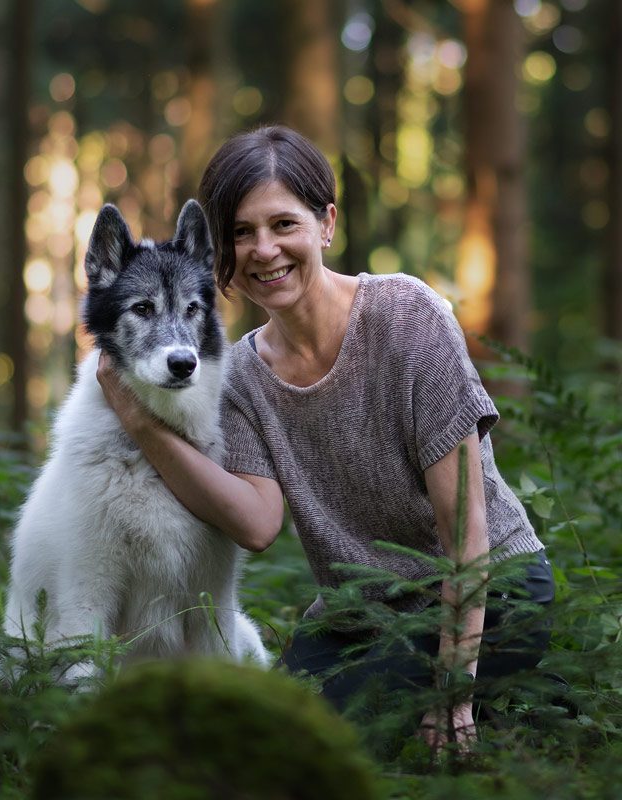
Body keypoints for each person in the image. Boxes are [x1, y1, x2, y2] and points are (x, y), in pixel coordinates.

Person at [96, 125, 554, 753]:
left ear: (326, 224)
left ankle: (500, 707)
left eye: (284, 224)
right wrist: (142, 422)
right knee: (252, 737)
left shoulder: (405, 317)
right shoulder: (244, 374)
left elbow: (466, 533)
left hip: (492, 586)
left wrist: (452, 696)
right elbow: (256, 525)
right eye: (240, 233)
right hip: (362, 613)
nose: (263, 250)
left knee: (309, 751)